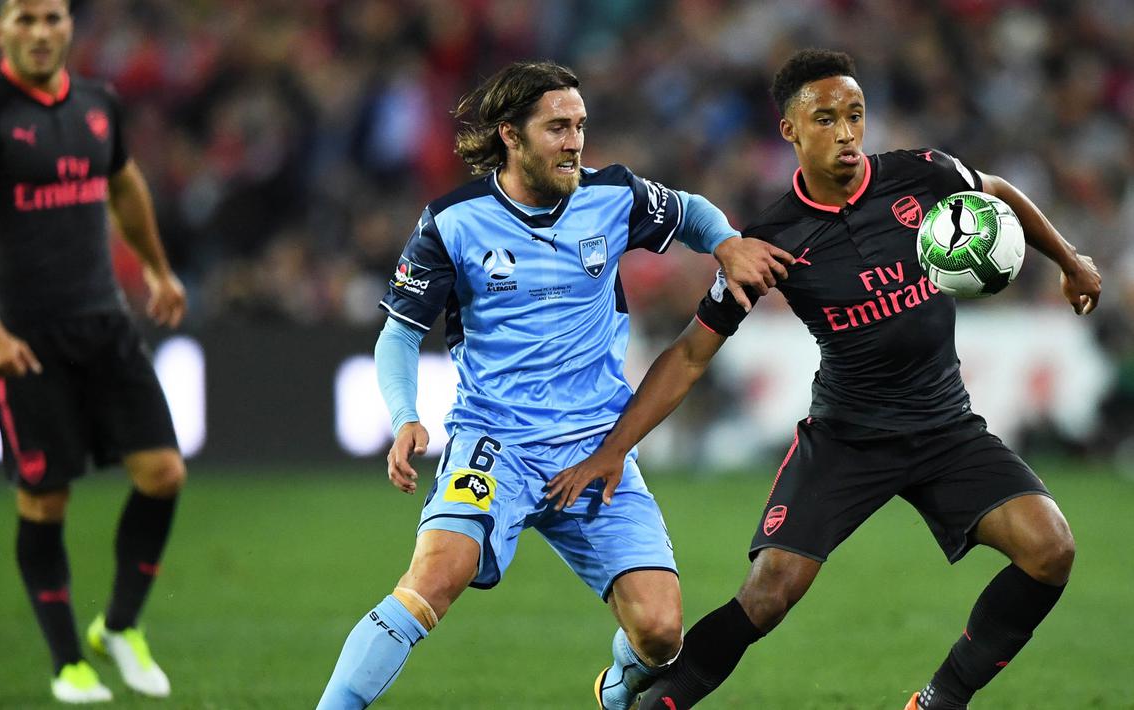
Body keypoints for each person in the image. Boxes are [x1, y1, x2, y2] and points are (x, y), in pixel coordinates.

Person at [547, 48, 1102, 710]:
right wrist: (614, 448)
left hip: (945, 428)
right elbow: (693, 353)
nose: (845, 133)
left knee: (1050, 549)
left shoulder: (922, 176)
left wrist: (1068, 261)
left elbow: (999, 191)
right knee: (769, 592)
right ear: (790, 129)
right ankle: (644, 698)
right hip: (848, 437)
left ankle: (940, 699)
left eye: (855, 115)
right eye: (825, 118)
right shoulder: (775, 238)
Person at [315, 60, 793, 710]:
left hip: (597, 446)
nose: (574, 141)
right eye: (557, 128)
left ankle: (621, 683)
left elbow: (690, 212)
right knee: (433, 578)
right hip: (495, 444)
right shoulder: (452, 221)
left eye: (579, 126)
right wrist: (404, 414)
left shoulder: (613, 196)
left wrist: (728, 244)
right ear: (510, 135)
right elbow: (399, 334)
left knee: (659, 634)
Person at [0, 0, 187, 703]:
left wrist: (159, 269)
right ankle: (66, 662)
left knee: (163, 472)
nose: (40, 32)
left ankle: (121, 628)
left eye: (52, 18)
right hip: (27, 339)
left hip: (104, 324)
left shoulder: (100, 104)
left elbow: (126, 186)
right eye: (25, 19)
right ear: (1, 32)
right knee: (45, 499)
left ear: (69, 27)